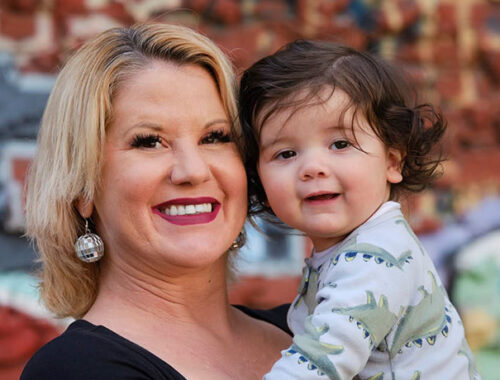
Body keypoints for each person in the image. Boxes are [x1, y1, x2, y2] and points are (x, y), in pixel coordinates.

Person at [21, 23, 292, 380]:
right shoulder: (75, 369)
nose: (192, 171)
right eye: (149, 141)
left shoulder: (318, 331)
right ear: (82, 188)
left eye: (215, 136)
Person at [239, 40, 480, 379]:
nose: (312, 167)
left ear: (392, 162)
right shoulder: (355, 247)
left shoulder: (375, 258)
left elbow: (318, 364)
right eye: (286, 154)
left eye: (340, 144)